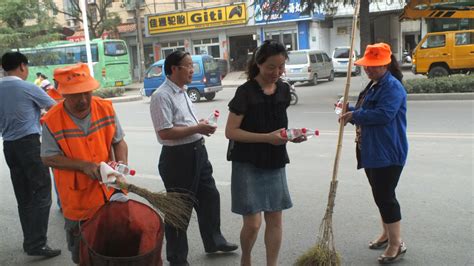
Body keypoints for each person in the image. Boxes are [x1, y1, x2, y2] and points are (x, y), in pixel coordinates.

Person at [149, 50, 238, 266]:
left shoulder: (183, 91)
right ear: (174, 69)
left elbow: (184, 122)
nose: (192, 70)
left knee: (209, 197)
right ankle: (177, 258)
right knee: (179, 210)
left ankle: (214, 241)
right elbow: (165, 133)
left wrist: (198, 124)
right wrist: (197, 127)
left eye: (192, 66)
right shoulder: (161, 96)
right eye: (188, 66)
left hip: (198, 153)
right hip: (177, 159)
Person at [225, 40, 305, 266]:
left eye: (281, 67)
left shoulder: (284, 90)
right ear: (258, 64)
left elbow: (278, 125)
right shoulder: (245, 92)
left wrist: (291, 136)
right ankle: (247, 257)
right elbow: (231, 132)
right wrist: (267, 138)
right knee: (252, 224)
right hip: (247, 162)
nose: (276, 72)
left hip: (275, 161)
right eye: (271, 67)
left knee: (275, 219)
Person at [40, 63, 129, 264]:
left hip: (111, 193)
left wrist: (120, 165)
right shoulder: (52, 120)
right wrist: (83, 165)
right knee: (83, 254)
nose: (82, 100)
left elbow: (119, 140)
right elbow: (47, 158)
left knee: (115, 247)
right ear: (62, 93)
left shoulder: (105, 108)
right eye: (74, 95)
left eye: (86, 93)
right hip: (78, 201)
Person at [339, 43, 408, 264]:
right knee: (380, 195)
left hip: (387, 151)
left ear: (386, 64)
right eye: (367, 65)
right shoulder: (374, 85)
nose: (369, 69)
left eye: (374, 66)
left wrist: (354, 115)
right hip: (371, 149)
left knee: (386, 197)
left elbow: (383, 115)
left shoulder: (392, 87)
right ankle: (387, 234)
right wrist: (348, 108)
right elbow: (366, 108)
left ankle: (397, 244)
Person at [0, 52, 60, 258]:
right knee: (42, 192)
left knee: (23, 196)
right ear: (22, 67)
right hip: (30, 145)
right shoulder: (27, 87)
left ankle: (30, 241)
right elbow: (55, 107)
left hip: (9, 146)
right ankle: (37, 244)